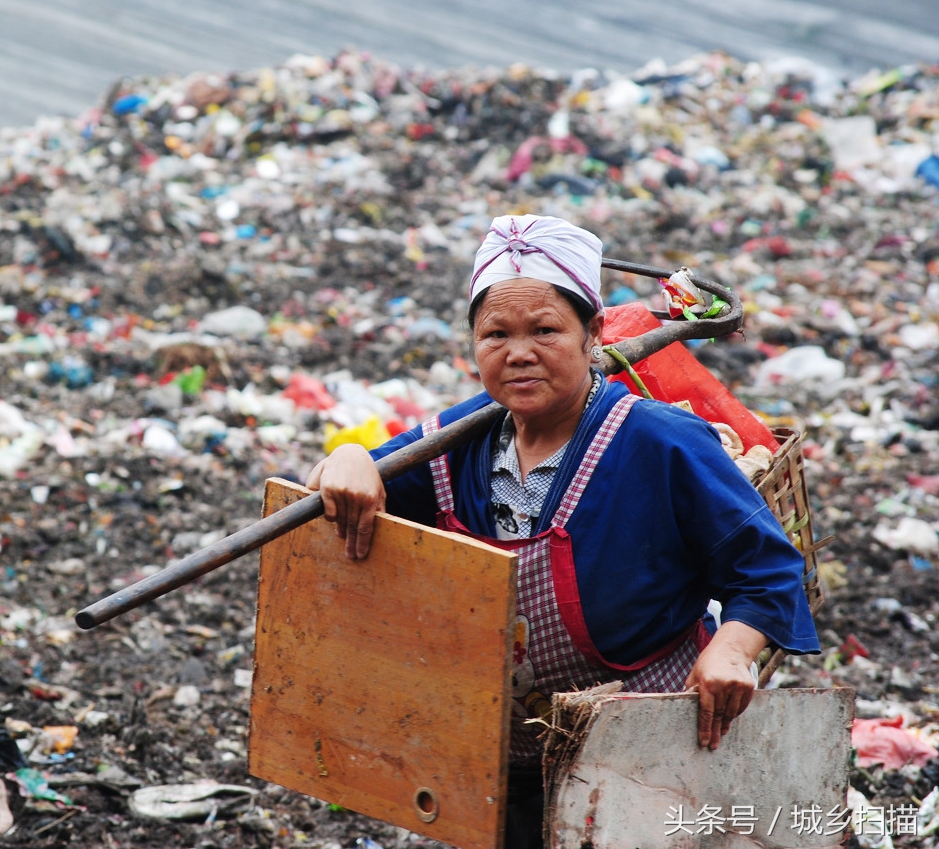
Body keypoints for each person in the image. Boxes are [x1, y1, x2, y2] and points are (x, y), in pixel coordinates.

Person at [304, 214, 820, 848]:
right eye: (495, 334)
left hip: (647, 745)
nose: (519, 352)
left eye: (546, 330)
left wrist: (734, 650)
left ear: (593, 334)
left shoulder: (661, 442)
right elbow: (356, 487)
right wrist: (348, 461)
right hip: (503, 752)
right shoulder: (454, 441)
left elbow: (767, 568)